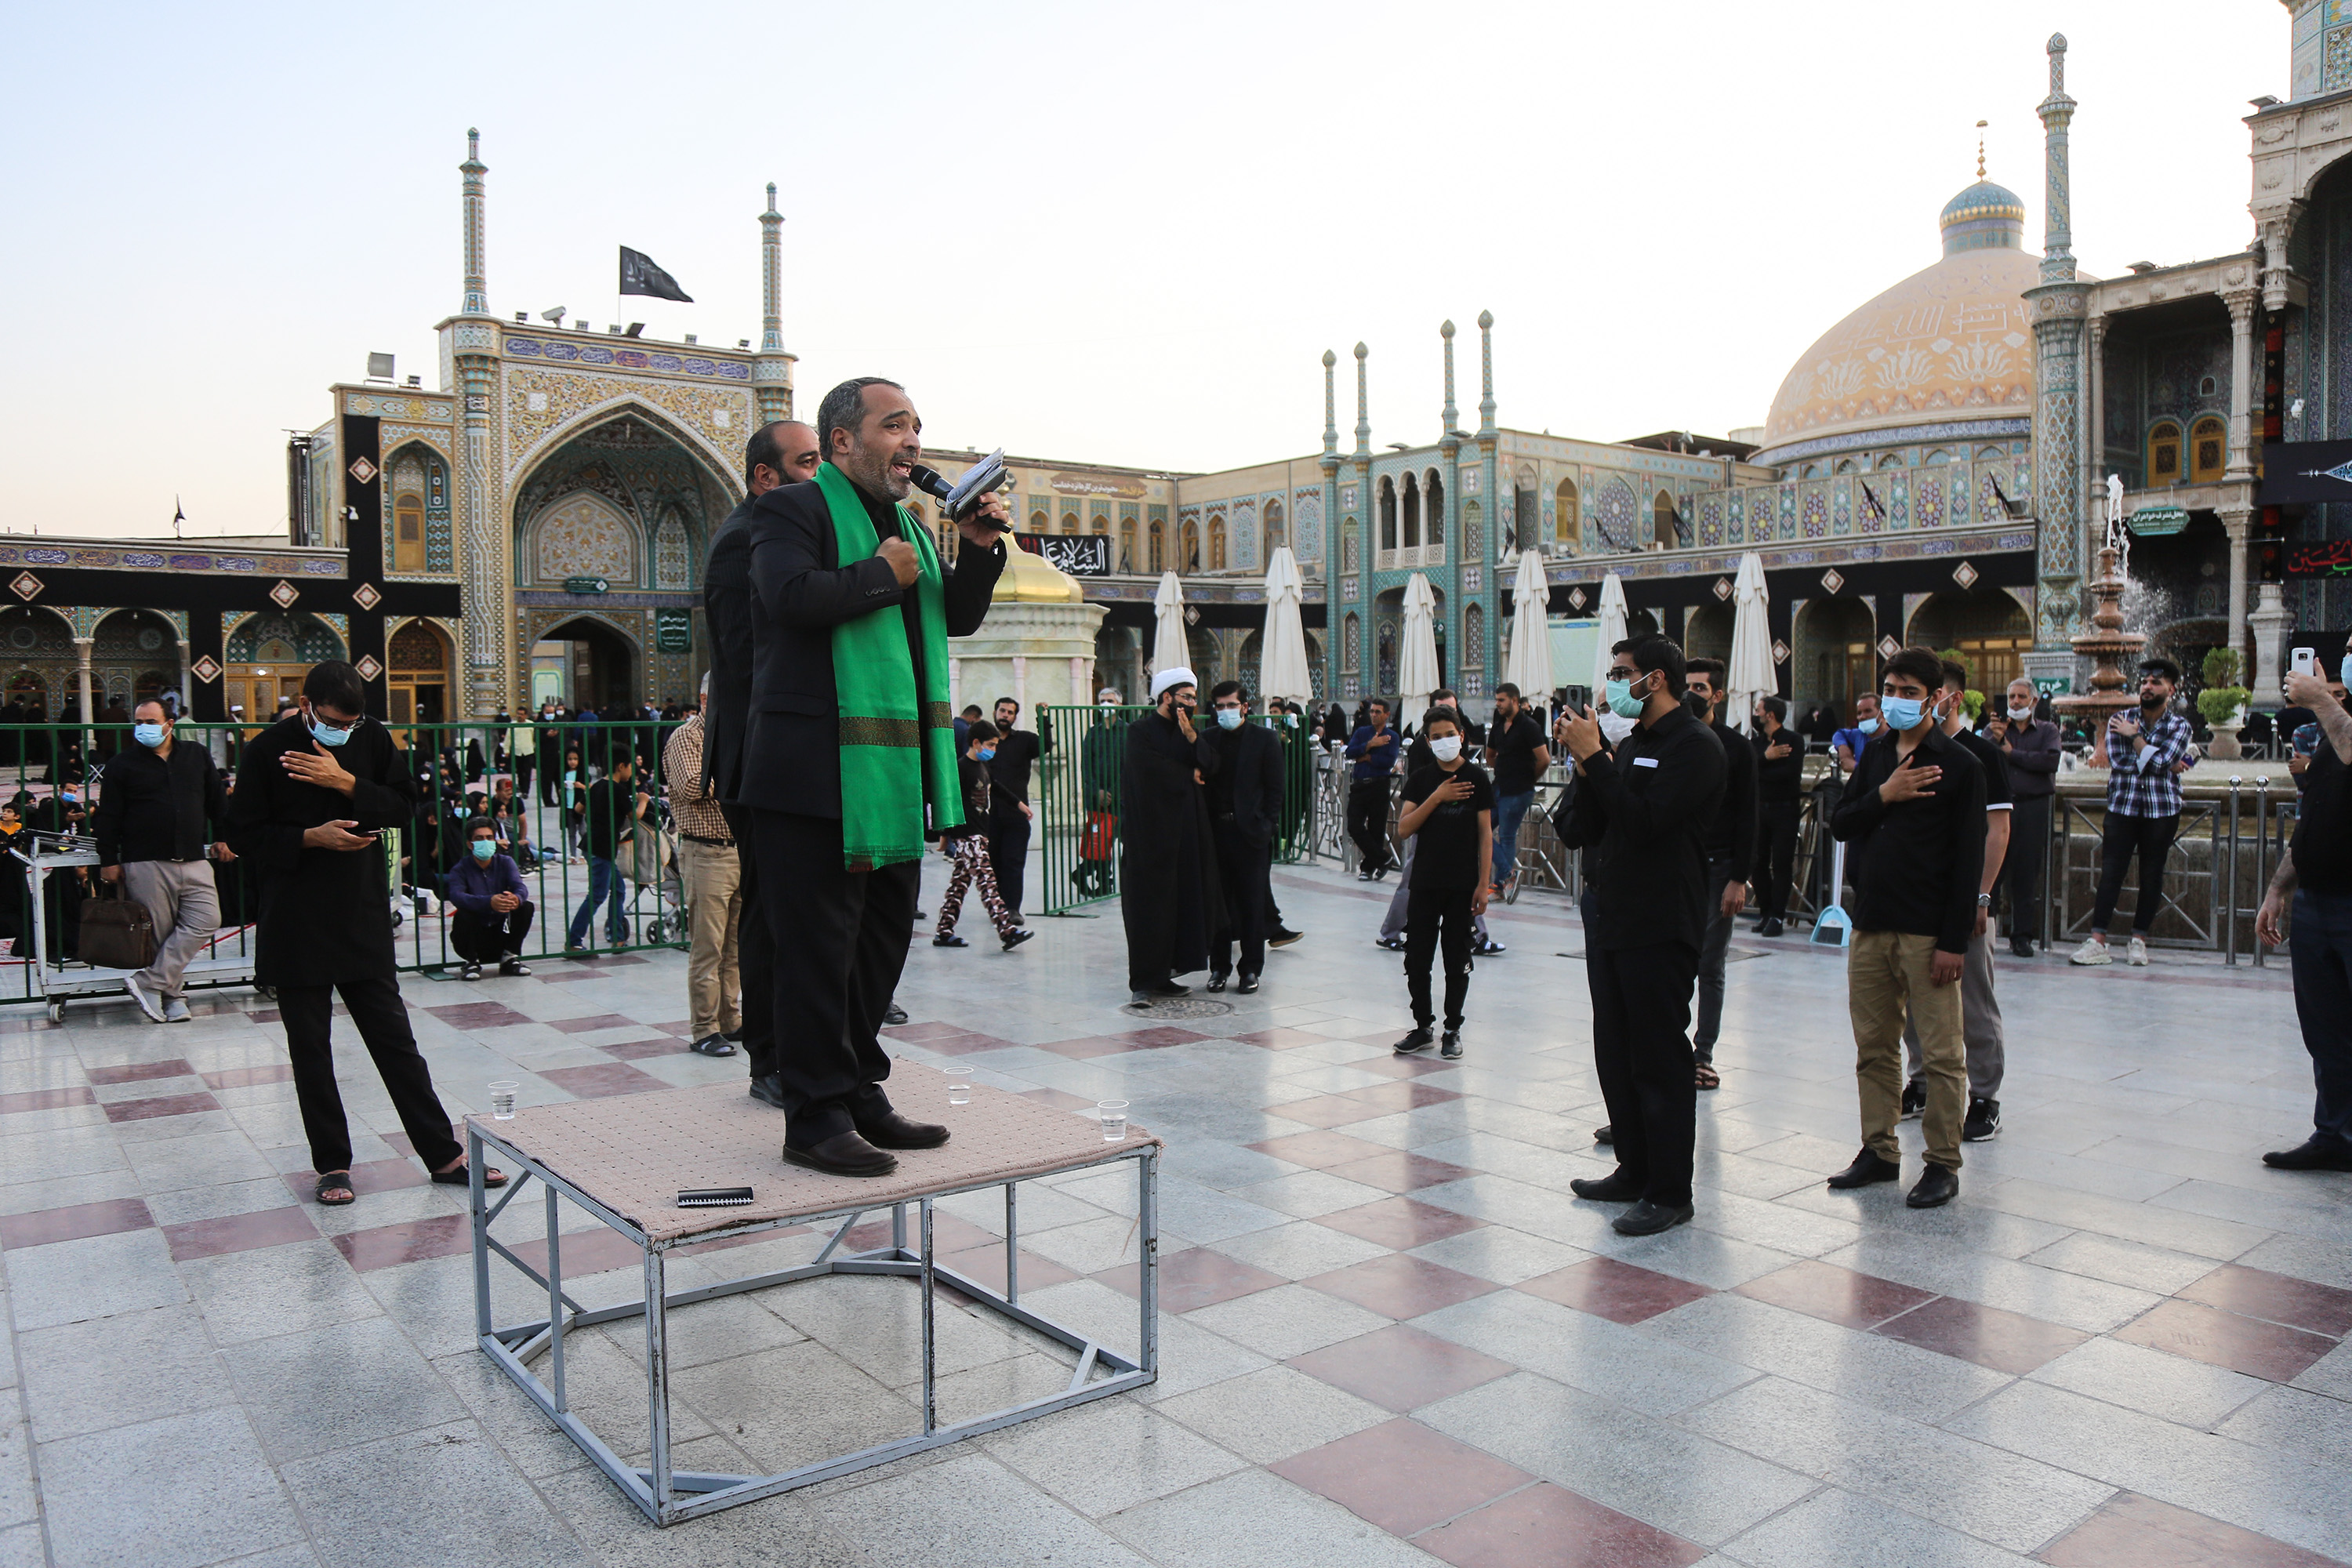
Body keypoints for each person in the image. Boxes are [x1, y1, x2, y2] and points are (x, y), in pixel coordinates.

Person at [739, 376, 1008, 1175]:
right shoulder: (793, 510)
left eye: (919, 426)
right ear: (844, 441)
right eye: (896, 425)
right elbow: (786, 597)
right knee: (818, 948)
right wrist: (877, 575)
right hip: (810, 773)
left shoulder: (912, 527)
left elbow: (949, 617)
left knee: (880, 940)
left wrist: (980, 548)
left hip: (891, 774)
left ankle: (860, 1089)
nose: (914, 440)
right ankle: (812, 1115)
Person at [224, 661, 502, 1207]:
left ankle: (443, 1153)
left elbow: (403, 807)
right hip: (296, 919)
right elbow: (241, 834)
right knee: (311, 1050)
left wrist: (345, 781)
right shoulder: (266, 750)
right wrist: (310, 837)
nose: (342, 732)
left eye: (350, 724)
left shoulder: (372, 737)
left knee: (395, 1042)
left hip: (358, 913)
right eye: (331, 721)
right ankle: (332, 1165)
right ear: (307, 706)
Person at [1559, 635, 1726, 1236]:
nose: (1613, 682)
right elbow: (1581, 828)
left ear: (1654, 680)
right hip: (1613, 914)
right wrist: (1587, 761)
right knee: (1616, 1049)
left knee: (1658, 1056)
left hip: (1660, 920)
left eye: (1621, 672)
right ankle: (1634, 1166)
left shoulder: (1695, 747)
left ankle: (1669, 1190)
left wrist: (1600, 760)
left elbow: (1647, 822)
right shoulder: (1633, 745)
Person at [1824, 648, 1984, 1210]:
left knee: (1941, 1055)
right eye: (1890, 686)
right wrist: (1883, 795)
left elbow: (1967, 860)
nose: (1896, 698)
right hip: (1871, 922)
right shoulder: (1873, 756)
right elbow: (1842, 821)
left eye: (1909, 690)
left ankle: (1942, 1162)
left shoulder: (1962, 765)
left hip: (1926, 931)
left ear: (1937, 698)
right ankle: (1879, 1149)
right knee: (1873, 1044)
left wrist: (1952, 941)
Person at [706, 419, 818, 1096]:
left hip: (786, 754)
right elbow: (757, 665)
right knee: (774, 911)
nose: (818, 477)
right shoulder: (747, 539)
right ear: (765, 477)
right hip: (760, 757)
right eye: (806, 462)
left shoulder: (782, 530)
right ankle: (769, 1057)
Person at [1898, 658, 2010, 1144]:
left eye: (1924, 692)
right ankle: (1920, 1081)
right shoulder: (1906, 751)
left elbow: (1997, 830)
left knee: (1974, 999)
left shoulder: (1981, 755)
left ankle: (1985, 1094)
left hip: (1965, 901)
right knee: (1911, 997)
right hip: (1915, 899)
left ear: (1952, 697)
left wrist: (1980, 897)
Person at [2256, 637, 2352, 1171]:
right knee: (2326, 1030)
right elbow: (2314, 817)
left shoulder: (2337, 720)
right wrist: (2279, 887)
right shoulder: (2334, 724)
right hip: (2317, 902)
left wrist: (2319, 700)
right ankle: (2335, 1134)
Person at [92, 699, 234, 1022]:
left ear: (170, 723)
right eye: (139, 721)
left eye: (151, 721)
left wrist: (227, 836)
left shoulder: (195, 756)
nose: (144, 727)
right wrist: (108, 860)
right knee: (161, 934)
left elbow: (216, 800)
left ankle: (147, 982)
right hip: (146, 860)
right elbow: (110, 816)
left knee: (207, 919)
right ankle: (172, 999)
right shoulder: (122, 764)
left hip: (194, 857)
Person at [2071, 657, 2194, 966]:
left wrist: (2136, 739)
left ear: (2171, 689)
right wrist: (2160, 761)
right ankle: (2098, 940)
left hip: (2162, 810)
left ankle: (2138, 939)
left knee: (2152, 875)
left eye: (2156, 682)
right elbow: (2121, 762)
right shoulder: (2118, 719)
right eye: (2145, 682)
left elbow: (2162, 762)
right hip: (2122, 807)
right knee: (2111, 872)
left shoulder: (2180, 725)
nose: (2148, 687)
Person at [1392, 707, 1493, 1059]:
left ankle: (1453, 1028)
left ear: (1461, 735)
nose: (1443, 741)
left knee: (1457, 957)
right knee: (1418, 957)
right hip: (1425, 882)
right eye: (1435, 737)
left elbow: (1485, 835)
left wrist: (1484, 884)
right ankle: (1423, 1025)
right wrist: (1437, 797)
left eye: (1449, 734)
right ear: (1427, 740)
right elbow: (1404, 828)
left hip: (1462, 884)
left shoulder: (1477, 779)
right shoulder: (1421, 779)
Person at [1121, 667, 1221, 1000]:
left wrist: (1192, 738)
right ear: (1167, 697)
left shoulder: (1189, 732)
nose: (1192, 703)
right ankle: (1143, 983)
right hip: (1149, 836)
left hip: (1186, 834)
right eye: (1187, 697)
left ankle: (1166, 975)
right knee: (1149, 907)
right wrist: (1186, 772)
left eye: (1194, 697)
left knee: (1182, 904)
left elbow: (1211, 765)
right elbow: (1148, 770)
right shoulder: (1140, 731)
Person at [1682, 659, 1757, 1091]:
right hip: (1679, 865)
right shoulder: (1673, 741)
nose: (1693, 693)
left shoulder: (1737, 748)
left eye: (1700, 687)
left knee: (1710, 962)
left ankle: (1703, 1053)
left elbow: (1749, 815)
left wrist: (1739, 877)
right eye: (1687, 685)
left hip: (1719, 867)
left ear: (1717, 695)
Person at [662, 681, 742, 1057]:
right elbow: (693, 785)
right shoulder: (686, 738)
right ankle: (704, 1030)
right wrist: (740, 776)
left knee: (735, 947)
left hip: (740, 850)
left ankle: (731, 1020)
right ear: (706, 698)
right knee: (708, 947)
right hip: (707, 853)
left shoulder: (733, 733)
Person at [1197, 681, 1281, 995]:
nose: (1225, 711)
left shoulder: (1265, 739)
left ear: (1245, 707)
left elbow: (1275, 789)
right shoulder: (1208, 739)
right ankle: (1219, 967)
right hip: (1217, 833)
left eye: (1231, 705)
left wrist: (1267, 825)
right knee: (1218, 903)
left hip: (1251, 835)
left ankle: (1250, 969)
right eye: (1220, 706)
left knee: (1251, 903)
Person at [933, 720, 1035, 951]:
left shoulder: (982, 767)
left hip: (979, 833)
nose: (994, 750)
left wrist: (1019, 804)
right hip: (968, 835)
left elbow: (996, 787)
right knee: (988, 883)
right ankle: (1007, 931)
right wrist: (945, 834)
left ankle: (944, 931)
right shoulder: (961, 768)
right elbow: (949, 801)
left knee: (958, 886)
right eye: (990, 744)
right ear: (976, 743)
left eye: (996, 745)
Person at [1987, 677, 2059, 956]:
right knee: (1993, 871)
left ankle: (2022, 937)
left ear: (2034, 701)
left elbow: (2049, 761)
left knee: (2026, 873)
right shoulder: (1994, 731)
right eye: (2011, 697)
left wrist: (2012, 753)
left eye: (2021, 696)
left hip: (2032, 807)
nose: (2016, 702)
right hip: (1999, 808)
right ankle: (1987, 931)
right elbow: (1982, 759)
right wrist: (1998, 741)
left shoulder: (2048, 730)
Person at [565, 753, 645, 954]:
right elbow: (634, 816)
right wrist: (642, 800)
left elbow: (579, 808)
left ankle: (617, 938)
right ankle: (574, 942)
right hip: (602, 847)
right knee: (597, 895)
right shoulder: (617, 789)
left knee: (618, 889)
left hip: (595, 844)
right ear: (621, 766)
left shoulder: (598, 786)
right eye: (630, 768)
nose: (631, 772)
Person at [442, 818, 533, 981]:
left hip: (500, 931)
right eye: (479, 839)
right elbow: (457, 896)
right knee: (463, 912)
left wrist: (515, 898)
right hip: (473, 935)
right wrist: (488, 902)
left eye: (489, 838)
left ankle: (510, 957)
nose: (486, 842)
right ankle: (471, 961)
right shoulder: (461, 869)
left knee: (526, 907)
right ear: (470, 844)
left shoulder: (505, 862)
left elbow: (520, 887)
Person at [1484, 683, 1550, 898]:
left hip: (1518, 791)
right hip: (1499, 787)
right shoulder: (1498, 726)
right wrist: (1503, 768)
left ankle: (1500, 885)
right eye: (1497, 700)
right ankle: (1507, 875)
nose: (1498, 704)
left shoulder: (1529, 726)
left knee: (1507, 836)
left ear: (1514, 701)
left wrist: (1528, 779)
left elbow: (1544, 759)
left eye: (1501, 700)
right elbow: (1490, 755)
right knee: (1481, 829)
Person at [985, 696, 1043, 921]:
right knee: (994, 862)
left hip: (1016, 814)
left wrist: (1042, 719)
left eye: (1010, 712)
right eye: (1002, 711)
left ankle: (1013, 908)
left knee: (1014, 862)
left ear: (1015, 717)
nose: (1005, 715)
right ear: (995, 712)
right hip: (989, 814)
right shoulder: (988, 744)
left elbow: (1045, 745)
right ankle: (998, 905)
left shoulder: (1024, 741)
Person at [1751, 695, 1802, 938]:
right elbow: (1746, 771)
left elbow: (1790, 773)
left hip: (1785, 810)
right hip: (1760, 809)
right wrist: (1765, 759)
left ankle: (1778, 916)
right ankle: (1765, 911)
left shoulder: (1793, 740)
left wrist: (1760, 769)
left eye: (1758, 710)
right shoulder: (1757, 742)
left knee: (1782, 863)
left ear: (1770, 714)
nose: (1756, 714)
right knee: (1757, 862)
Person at [1344, 699, 1402, 879]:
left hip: (1379, 784)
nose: (1374, 715)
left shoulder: (1391, 736)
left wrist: (1367, 758)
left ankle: (1368, 868)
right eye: (1372, 712)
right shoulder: (1362, 733)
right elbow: (1350, 752)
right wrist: (1370, 745)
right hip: (1360, 784)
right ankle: (1383, 858)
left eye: (1378, 712)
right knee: (1354, 826)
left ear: (1386, 715)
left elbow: (1387, 762)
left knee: (1376, 828)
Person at [1832, 694, 1881, 775]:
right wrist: (1844, 750)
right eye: (1859, 713)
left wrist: (1855, 767)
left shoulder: (1895, 737)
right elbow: (1839, 734)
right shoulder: (1860, 735)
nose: (1862, 717)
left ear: (1882, 712)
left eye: (1868, 711)